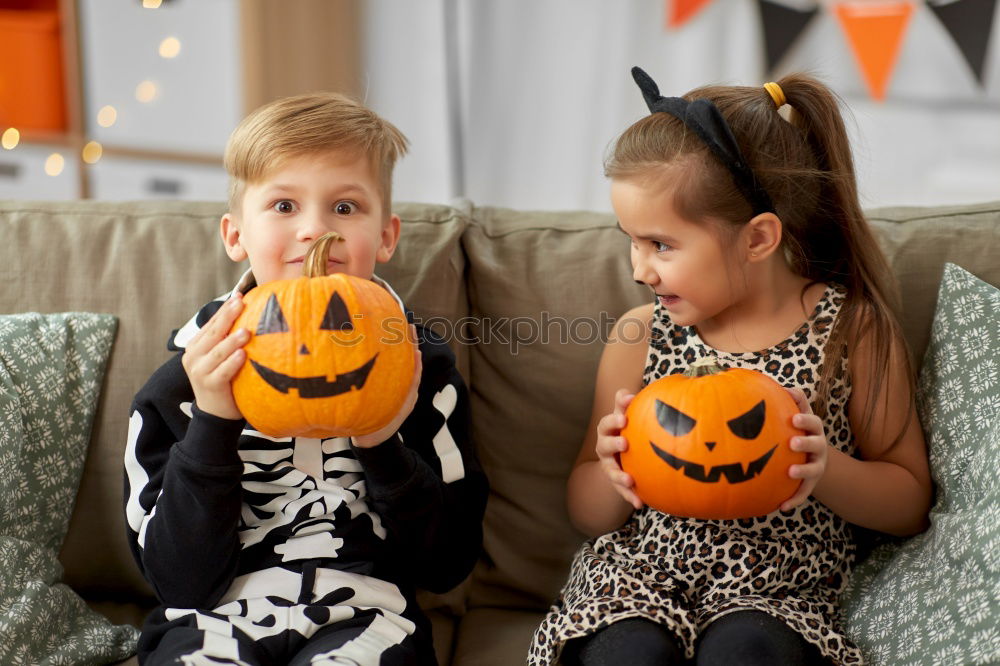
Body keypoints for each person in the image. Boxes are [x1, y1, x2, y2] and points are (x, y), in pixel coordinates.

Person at [529, 68, 932, 665]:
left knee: (744, 653)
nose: (641, 268)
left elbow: (909, 504)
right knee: (629, 655)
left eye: (661, 245)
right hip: (636, 586)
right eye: (631, 241)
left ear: (759, 238)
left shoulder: (852, 331)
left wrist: (824, 471)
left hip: (781, 595)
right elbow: (587, 513)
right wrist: (611, 475)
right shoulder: (639, 335)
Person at [124, 93, 488, 665]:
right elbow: (178, 581)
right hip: (210, 621)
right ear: (235, 234)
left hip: (370, 616)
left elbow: (446, 565)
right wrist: (214, 421)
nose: (315, 230)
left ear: (387, 236)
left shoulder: (421, 368)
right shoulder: (181, 383)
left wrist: (381, 440)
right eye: (284, 205)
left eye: (344, 208)